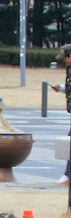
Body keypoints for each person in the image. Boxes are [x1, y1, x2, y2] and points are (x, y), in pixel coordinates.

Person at [50, 44, 71, 184]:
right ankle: (67, 174)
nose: (65, 60)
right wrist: (62, 89)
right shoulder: (69, 69)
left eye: (66, 58)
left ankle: (67, 174)